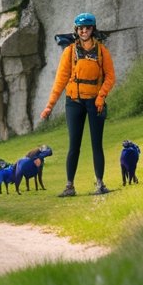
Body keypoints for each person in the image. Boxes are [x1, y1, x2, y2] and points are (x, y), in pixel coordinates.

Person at [40, 12, 117, 196]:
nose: (84, 31)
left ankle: (100, 184)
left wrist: (101, 97)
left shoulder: (101, 51)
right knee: (74, 145)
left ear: (93, 29)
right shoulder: (69, 52)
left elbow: (110, 77)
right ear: (76, 30)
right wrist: (50, 105)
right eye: (81, 28)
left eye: (87, 28)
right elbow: (60, 80)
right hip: (74, 103)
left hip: (95, 103)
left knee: (96, 144)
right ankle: (69, 186)